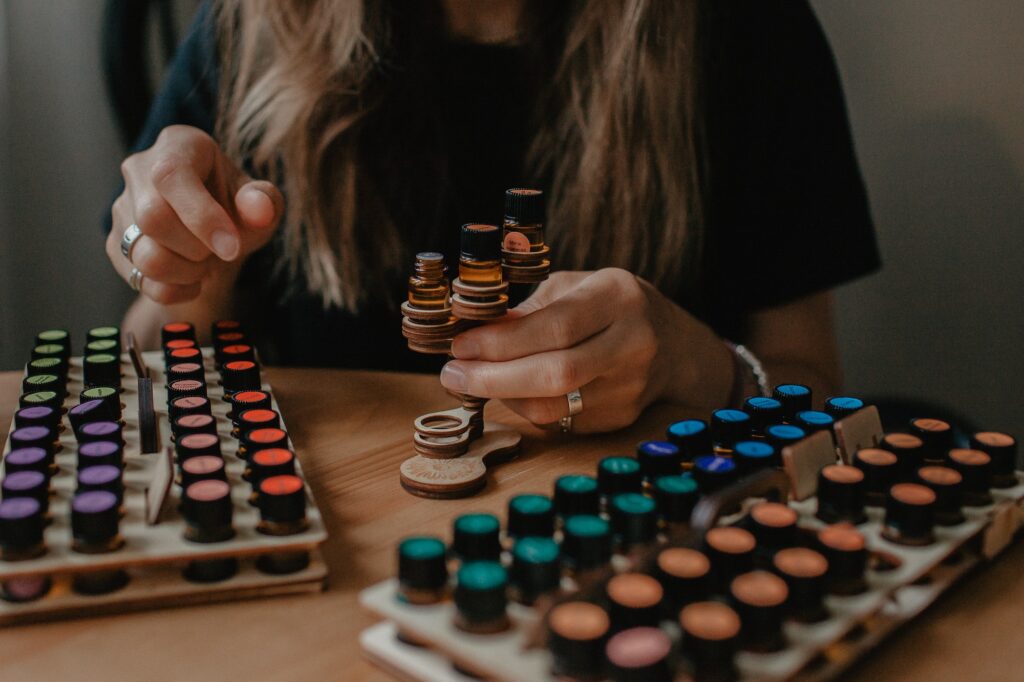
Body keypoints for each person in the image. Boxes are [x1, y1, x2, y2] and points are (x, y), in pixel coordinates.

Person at [106, 0, 879, 434]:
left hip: (633, 541)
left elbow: (812, 388)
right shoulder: (254, 26)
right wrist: (193, 268)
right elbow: (140, 366)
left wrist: (694, 366)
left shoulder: (746, 30)